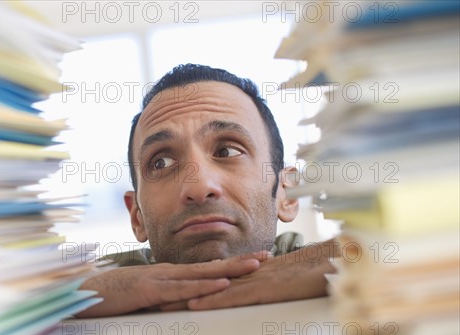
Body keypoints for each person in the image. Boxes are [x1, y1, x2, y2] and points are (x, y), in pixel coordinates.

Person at [78, 64, 338, 318]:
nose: (199, 187)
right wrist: (66, 298)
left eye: (227, 151)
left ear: (287, 194)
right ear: (137, 217)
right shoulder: (90, 291)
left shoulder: (349, 270)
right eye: (161, 163)